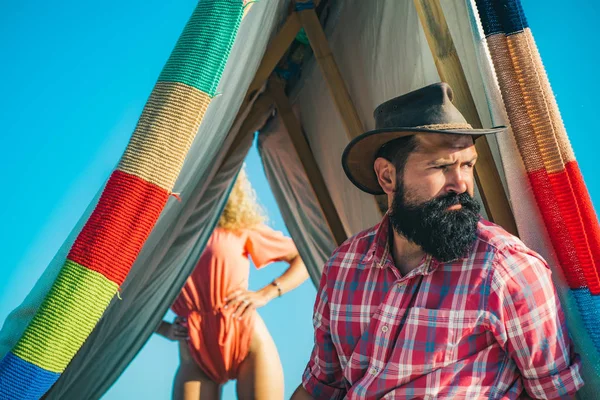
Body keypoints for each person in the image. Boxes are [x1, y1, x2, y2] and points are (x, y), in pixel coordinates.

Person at [292, 83, 583, 399]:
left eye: (467, 165)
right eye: (442, 167)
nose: (460, 184)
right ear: (387, 177)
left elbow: (556, 394)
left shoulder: (506, 270)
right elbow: (321, 388)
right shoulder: (343, 268)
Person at [157, 168, 309, 400]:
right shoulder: (161, 235)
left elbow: (303, 258)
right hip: (193, 348)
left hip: (247, 338)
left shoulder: (238, 227)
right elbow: (123, 294)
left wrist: (266, 293)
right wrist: (163, 327)